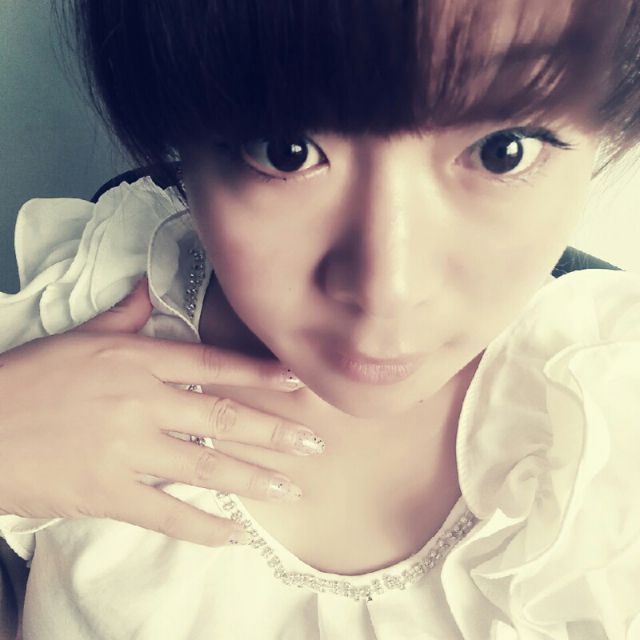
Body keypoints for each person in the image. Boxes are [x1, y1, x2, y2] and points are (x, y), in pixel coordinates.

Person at [1, 0, 640, 637]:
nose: (388, 290)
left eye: (502, 151)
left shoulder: (612, 439)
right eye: (287, 151)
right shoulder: (71, 318)